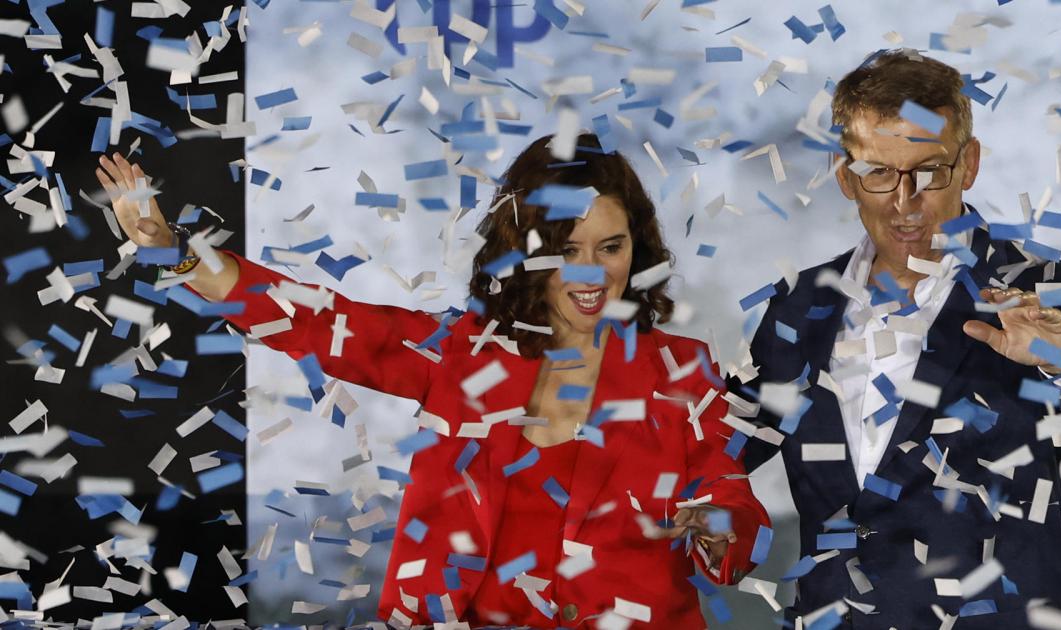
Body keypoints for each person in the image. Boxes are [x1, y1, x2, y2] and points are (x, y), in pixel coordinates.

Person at [96, 133, 768, 628]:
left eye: (611, 247)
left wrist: (718, 525)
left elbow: (731, 498)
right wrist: (177, 253)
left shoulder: (685, 370)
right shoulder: (459, 354)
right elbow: (321, 322)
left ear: (637, 247)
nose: (592, 273)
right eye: (567, 250)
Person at [730, 49, 1061, 629]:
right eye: (878, 172)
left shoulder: (1041, 288)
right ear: (844, 175)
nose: (905, 203)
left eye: (929, 171)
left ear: (968, 164)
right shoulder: (800, 306)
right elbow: (723, 448)